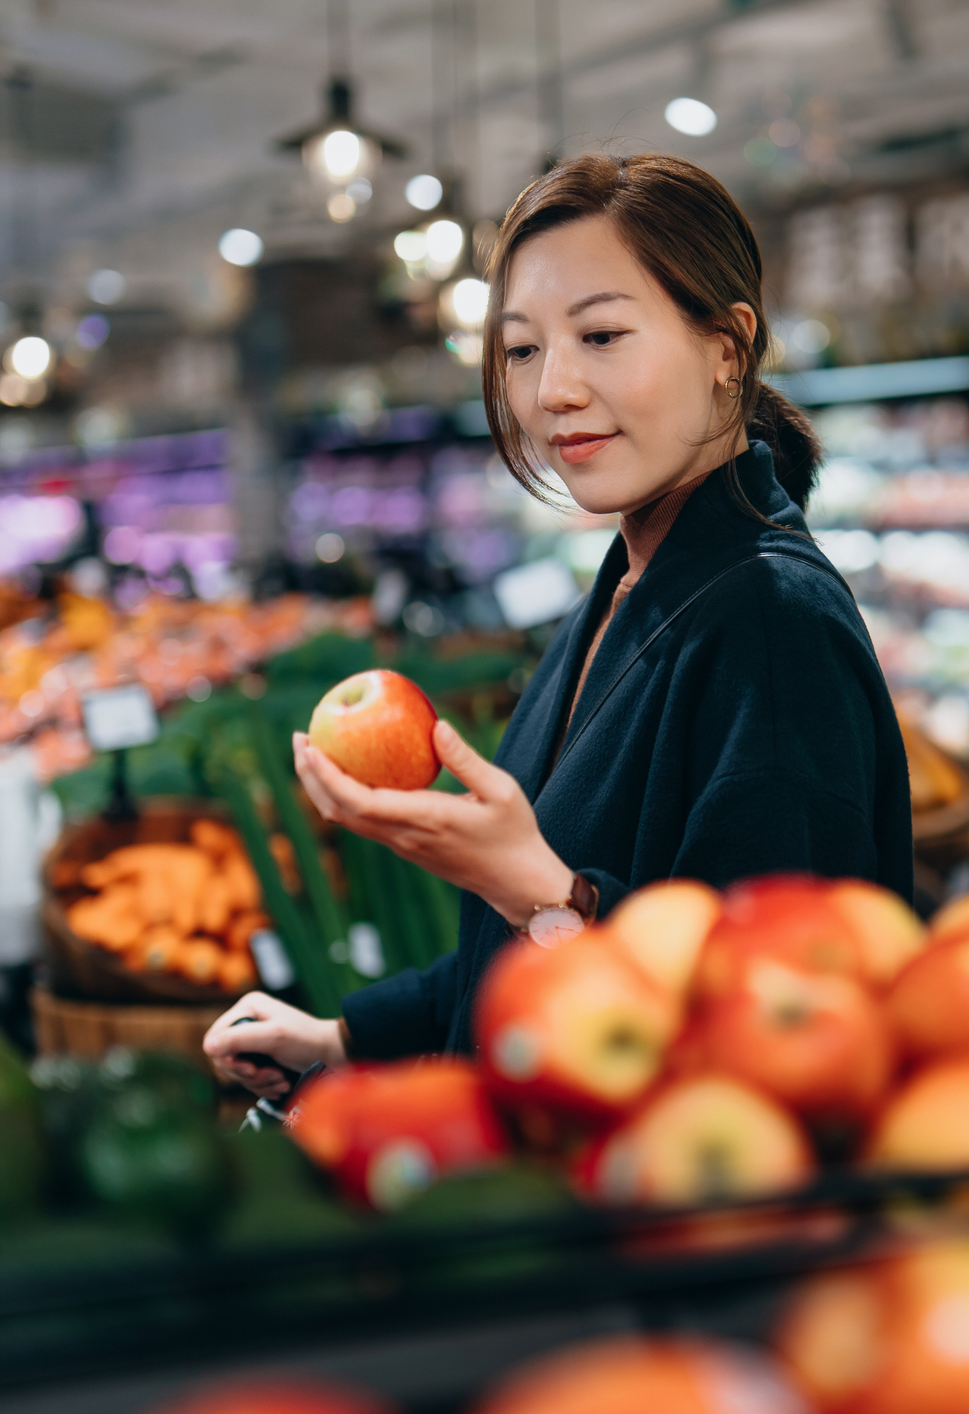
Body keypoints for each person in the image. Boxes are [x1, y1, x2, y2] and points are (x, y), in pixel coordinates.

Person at [205, 153, 913, 1097]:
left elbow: (773, 1027)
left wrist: (536, 888)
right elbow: (516, 956)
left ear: (726, 349)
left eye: (603, 336)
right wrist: (347, 1037)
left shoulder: (772, 630)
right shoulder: (628, 584)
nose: (551, 394)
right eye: (524, 349)